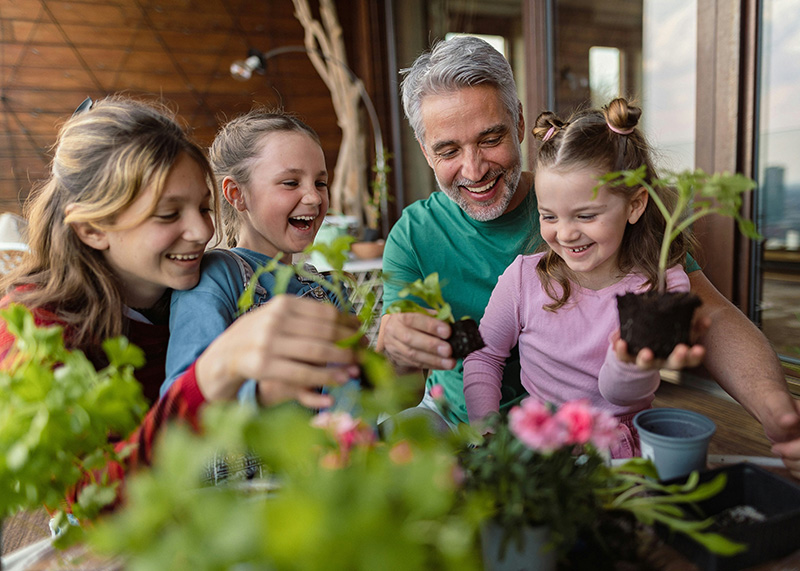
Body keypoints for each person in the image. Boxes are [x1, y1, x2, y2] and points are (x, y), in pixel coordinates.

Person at [377, 36, 800, 477]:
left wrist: (778, 412)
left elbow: (713, 316)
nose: (474, 168)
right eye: (448, 150)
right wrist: (397, 354)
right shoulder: (412, 237)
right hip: (457, 419)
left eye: (490, 138)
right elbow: (399, 387)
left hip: (594, 430)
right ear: (426, 151)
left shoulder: (588, 198)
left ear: (520, 123)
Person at [0, 96, 360, 507]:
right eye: (169, 214)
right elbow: (87, 499)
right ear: (92, 229)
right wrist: (211, 375)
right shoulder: (33, 328)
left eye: (204, 207)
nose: (201, 231)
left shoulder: (201, 290)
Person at [463, 98, 697, 458]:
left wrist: (627, 362)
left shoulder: (659, 289)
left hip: (618, 452)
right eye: (549, 216)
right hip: (542, 449)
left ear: (635, 205)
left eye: (585, 216)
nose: (566, 234)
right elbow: (483, 355)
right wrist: (487, 429)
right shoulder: (524, 279)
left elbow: (620, 395)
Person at [164, 108, 342, 405]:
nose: (314, 197)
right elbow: (181, 403)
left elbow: (348, 401)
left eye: (320, 183)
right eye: (291, 183)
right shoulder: (217, 277)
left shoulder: (327, 290)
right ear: (237, 194)